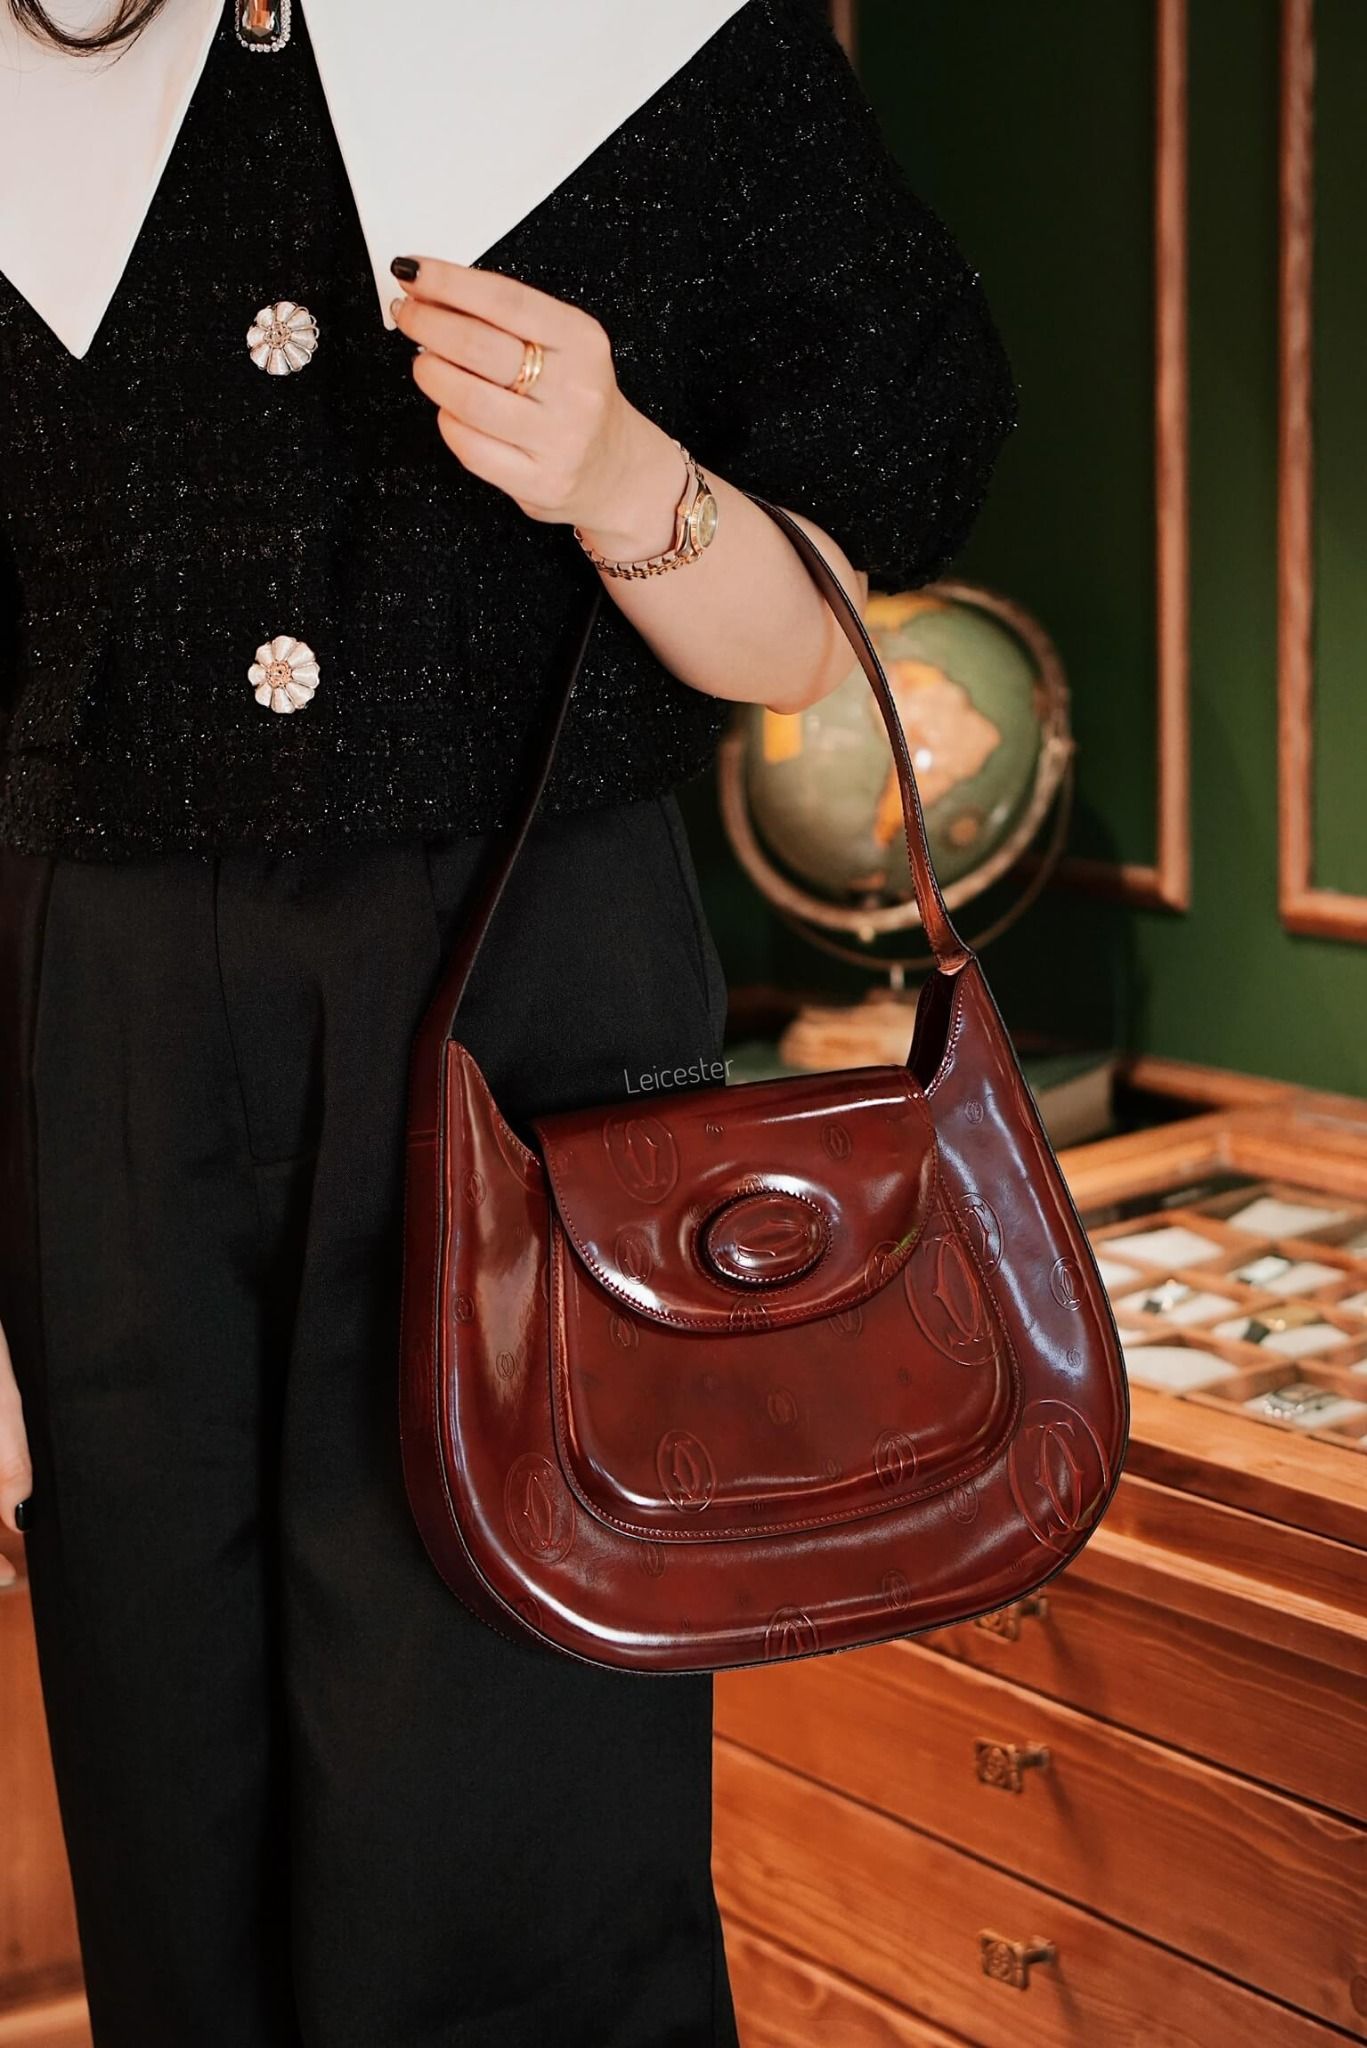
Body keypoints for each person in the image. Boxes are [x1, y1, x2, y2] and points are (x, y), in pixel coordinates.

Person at [0, 0, 1018, 2041]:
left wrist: (625, 474)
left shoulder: (637, 31)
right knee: (174, 1865)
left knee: (522, 1874)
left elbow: (802, 635)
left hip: (529, 1002)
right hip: (86, 1034)